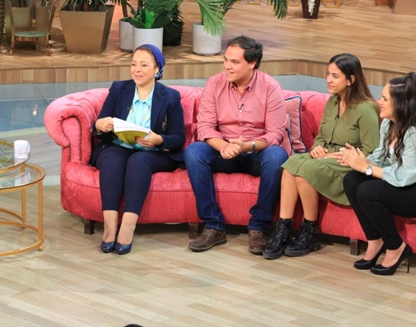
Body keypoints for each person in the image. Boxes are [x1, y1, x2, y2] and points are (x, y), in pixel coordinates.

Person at [263, 53, 379, 260]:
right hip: (325, 158)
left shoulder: (366, 109)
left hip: (348, 163)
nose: (328, 80)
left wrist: (333, 156)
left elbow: (371, 151)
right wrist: (317, 147)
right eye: (328, 74)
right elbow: (322, 137)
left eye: (335, 76)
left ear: (351, 80)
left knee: (306, 170)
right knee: (290, 163)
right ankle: (283, 228)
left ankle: (310, 231)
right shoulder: (332, 102)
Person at [340, 72, 416, 275]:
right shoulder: (389, 123)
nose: (379, 102)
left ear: (400, 104)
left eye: (384, 99)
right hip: (410, 182)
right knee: (351, 180)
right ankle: (375, 240)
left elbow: (404, 177)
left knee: (368, 191)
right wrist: (359, 160)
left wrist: (366, 168)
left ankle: (396, 247)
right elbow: (381, 157)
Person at [185, 36, 289, 254]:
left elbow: (275, 134)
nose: (227, 66)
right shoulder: (214, 83)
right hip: (223, 151)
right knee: (194, 152)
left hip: (255, 152)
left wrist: (247, 146)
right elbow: (204, 127)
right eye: (225, 60)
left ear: (252, 63)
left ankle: (258, 227)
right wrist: (224, 146)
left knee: (277, 156)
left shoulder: (270, 87)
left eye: (234, 62)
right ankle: (213, 226)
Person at [92, 44, 185, 255]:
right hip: (118, 146)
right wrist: (100, 124)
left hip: (152, 153)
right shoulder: (119, 89)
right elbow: (100, 122)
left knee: (138, 162)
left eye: (144, 65)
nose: (137, 70)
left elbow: (178, 138)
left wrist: (159, 139)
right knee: (112, 159)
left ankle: (127, 228)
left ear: (157, 69)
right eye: (134, 64)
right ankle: (109, 228)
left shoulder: (170, 97)